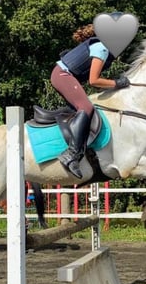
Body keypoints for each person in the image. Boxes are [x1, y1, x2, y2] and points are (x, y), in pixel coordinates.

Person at [50, 24, 130, 178]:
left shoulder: (101, 46)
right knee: (86, 107)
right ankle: (71, 154)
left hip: (62, 74)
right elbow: (94, 81)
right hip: (62, 75)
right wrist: (116, 83)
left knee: (84, 111)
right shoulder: (102, 48)